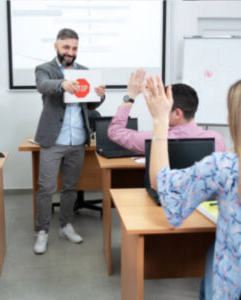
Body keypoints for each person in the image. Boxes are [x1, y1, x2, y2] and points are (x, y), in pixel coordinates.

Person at [142, 73, 241, 300]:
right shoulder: (217, 142)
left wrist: (159, 121)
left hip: (231, 285)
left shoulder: (224, 167)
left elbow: (162, 183)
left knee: (215, 252)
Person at [34, 28, 105, 254]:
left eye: (74, 48)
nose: (70, 52)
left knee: (70, 188)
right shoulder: (45, 69)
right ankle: (42, 231)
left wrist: (100, 95)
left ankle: (65, 225)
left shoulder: (85, 72)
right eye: (66, 47)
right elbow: (42, 85)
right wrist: (61, 84)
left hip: (77, 140)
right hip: (53, 140)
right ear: (56, 46)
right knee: (46, 188)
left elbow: (90, 104)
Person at [108, 69, 225, 153]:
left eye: (164, 106)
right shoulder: (216, 139)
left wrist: (130, 96)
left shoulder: (155, 139)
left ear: (178, 113)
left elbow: (115, 131)